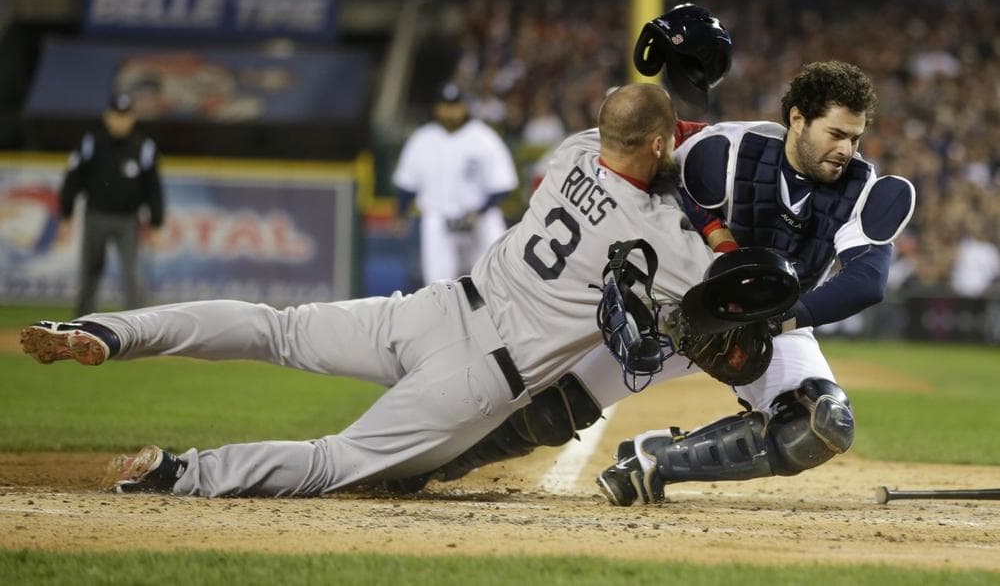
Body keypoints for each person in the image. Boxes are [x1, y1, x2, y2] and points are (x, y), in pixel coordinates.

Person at [20, 82, 727, 498]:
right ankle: (181, 474)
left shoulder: (573, 150)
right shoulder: (661, 236)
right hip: (482, 374)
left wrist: (662, 133)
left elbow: (639, 132)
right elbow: (726, 282)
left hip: (435, 308)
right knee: (337, 461)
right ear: (663, 143)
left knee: (276, 328)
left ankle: (114, 329)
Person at [593, 59, 917, 505]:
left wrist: (778, 322)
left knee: (822, 425)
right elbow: (668, 182)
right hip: (679, 306)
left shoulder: (863, 189)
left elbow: (867, 281)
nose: (847, 149)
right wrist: (716, 239)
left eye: (855, 137)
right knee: (548, 406)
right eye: (836, 134)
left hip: (768, 323)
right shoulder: (729, 149)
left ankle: (653, 461)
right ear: (797, 119)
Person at [393, 82, 519, 284]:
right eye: (446, 106)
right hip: (438, 219)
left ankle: (493, 315)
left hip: (480, 219)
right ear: (436, 108)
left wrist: (480, 211)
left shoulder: (484, 137)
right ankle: (445, 316)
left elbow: (503, 185)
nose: (450, 112)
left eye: (455, 106)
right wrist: (401, 213)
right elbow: (406, 184)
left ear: (464, 107)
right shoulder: (422, 139)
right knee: (438, 286)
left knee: (493, 280)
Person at [58, 91, 164, 318]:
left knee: (132, 273)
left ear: (132, 117)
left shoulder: (143, 146)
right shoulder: (92, 142)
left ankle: (137, 326)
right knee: (90, 271)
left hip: (128, 220)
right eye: (116, 115)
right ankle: (82, 322)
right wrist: (66, 214)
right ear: (108, 116)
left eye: (125, 115)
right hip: (96, 215)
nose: (120, 120)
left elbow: (154, 187)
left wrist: (156, 222)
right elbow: (73, 178)